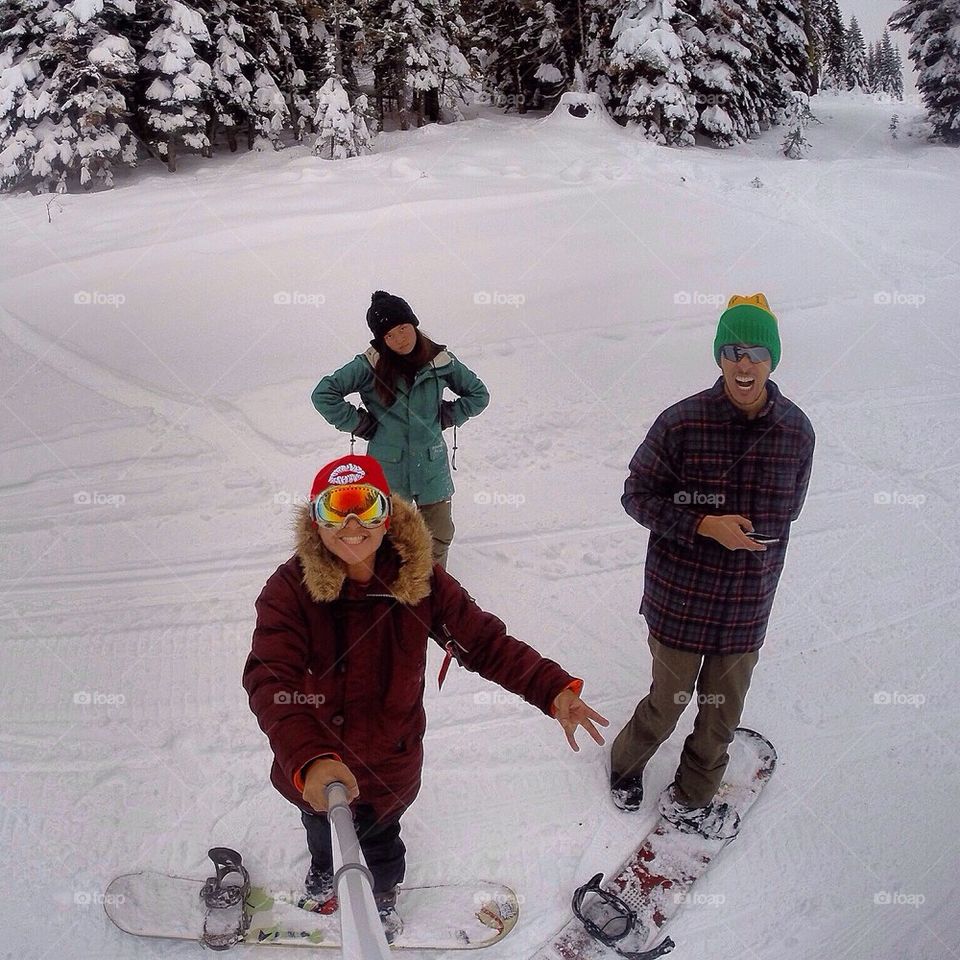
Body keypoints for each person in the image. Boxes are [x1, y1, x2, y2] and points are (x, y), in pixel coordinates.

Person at [243, 454, 608, 941]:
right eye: (335, 511)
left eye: (365, 508)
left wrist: (550, 687)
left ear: (386, 515)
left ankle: (382, 896)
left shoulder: (419, 580)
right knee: (321, 830)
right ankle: (325, 872)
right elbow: (271, 679)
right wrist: (309, 759)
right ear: (316, 522)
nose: (352, 526)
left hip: (390, 762)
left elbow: (484, 642)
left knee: (381, 843)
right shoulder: (289, 590)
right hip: (315, 763)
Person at [609, 293, 815, 839]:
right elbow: (636, 495)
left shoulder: (796, 431)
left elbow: (790, 509)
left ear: (772, 359)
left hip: (747, 604)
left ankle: (693, 797)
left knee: (721, 714)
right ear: (719, 357)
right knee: (667, 702)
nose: (744, 363)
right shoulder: (681, 423)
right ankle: (624, 766)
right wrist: (704, 524)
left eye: (756, 352)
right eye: (732, 351)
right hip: (681, 597)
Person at [311, 290, 489, 569]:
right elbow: (324, 394)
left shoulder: (441, 362)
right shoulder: (369, 365)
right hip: (388, 469)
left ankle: (433, 582)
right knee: (388, 536)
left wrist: (448, 415)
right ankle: (393, 584)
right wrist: (360, 424)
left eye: (403, 328)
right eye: (389, 335)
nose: (399, 339)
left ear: (414, 324)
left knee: (439, 533)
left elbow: (478, 395)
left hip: (431, 465)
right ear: (381, 340)